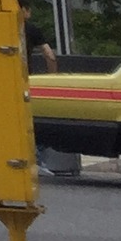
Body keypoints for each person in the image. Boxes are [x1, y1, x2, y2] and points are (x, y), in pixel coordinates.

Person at [31, 34, 81, 177]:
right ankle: (39, 161)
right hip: (30, 83)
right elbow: (49, 54)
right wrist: (51, 77)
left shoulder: (3, 29)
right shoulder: (31, 29)